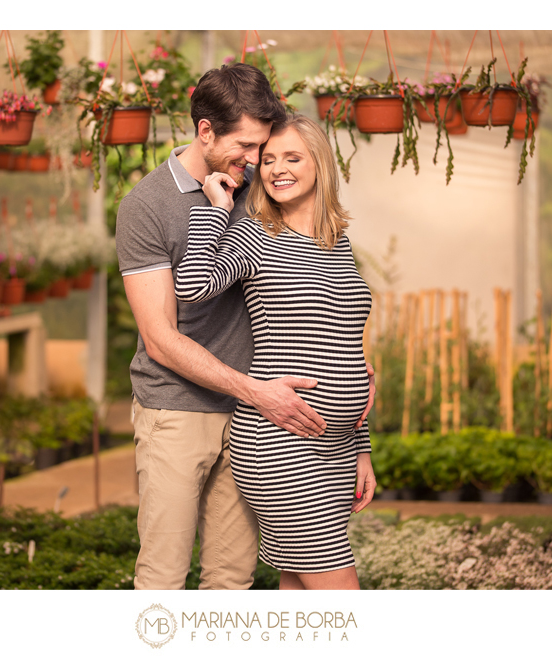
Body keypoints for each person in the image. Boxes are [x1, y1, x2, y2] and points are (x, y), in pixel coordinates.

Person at [115, 63, 374, 590]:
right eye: (251, 147)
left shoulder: (264, 189)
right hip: (183, 409)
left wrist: (355, 384)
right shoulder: (148, 206)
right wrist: (257, 392)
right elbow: (163, 337)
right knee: (164, 577)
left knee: (233, 582)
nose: (260, 161)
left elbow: (323, 314)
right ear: (205, 131)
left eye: (270, 149)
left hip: (261, 412)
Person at [175, 113, 377, 590]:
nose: (276, 169)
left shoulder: (336, 240)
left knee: (298, 589)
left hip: (335, 447)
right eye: (267, 160)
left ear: (319, 164)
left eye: (292, 157)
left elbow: (349, 349)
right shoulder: (258, 236)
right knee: (340, 601)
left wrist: (360, 446)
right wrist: (216, 207)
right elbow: (193, 284)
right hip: (281, 443)